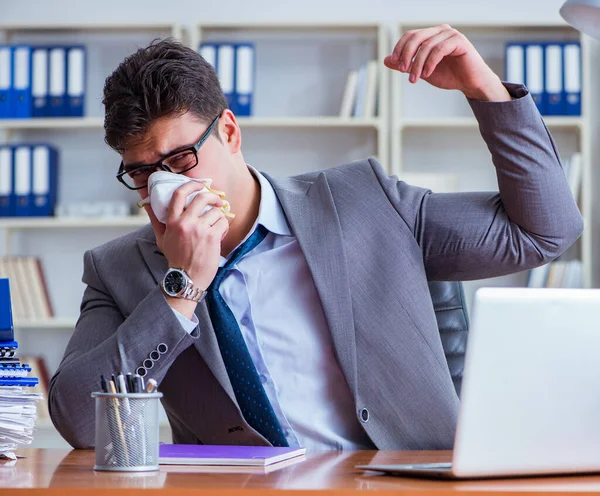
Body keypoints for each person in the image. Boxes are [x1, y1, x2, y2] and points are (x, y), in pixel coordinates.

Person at [48, 24, 583, 451]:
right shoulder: (117, 269)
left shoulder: (365, 202)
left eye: (180, 160)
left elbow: (544, 232)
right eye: (142, 173)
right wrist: (181, 288)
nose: (163, 187)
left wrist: (485, 90)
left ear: (230, 133)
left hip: (397, 483)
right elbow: (78, 422)